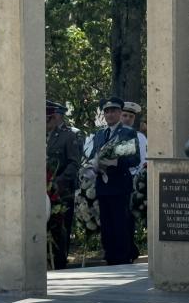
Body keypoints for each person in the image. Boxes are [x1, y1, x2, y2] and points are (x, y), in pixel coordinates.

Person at [89, 96, 140, 265]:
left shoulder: (127, 133)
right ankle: (110, 256)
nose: (110, 114)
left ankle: (123, 258)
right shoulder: (99, 134)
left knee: (120, 223)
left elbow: (134, 159)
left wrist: (116, 161)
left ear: (119, 112)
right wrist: (92, 166)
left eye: (113, 111)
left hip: (119, 186)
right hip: (102, 185)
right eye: (107, 111)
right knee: (107, 224)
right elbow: (92, 157)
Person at [46, 100, 82, 269]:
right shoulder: (39, 134)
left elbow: (74, 163)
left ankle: (60, 263)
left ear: (58, 115)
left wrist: (56, 182)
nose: (47, 120)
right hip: (41, 191)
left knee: (60, 228)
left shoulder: (70, 135)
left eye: (50, 116)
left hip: (61, 191)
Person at [121, 101, 147, 175]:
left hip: (136, 177)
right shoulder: (112, 135)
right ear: (119, 116)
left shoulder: (141, 137)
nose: (128, 118)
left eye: (131, 116)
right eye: (125, 115)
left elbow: (144, 159)